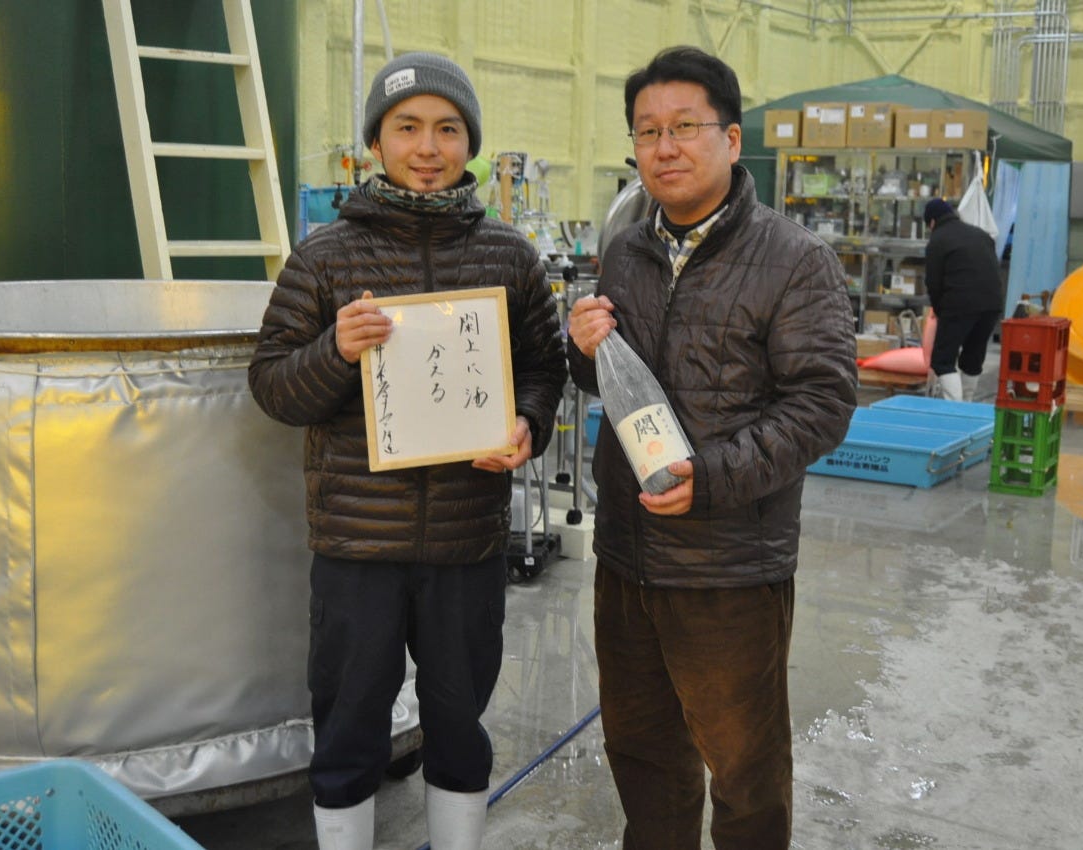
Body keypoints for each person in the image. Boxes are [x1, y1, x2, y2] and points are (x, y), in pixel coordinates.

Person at [249, 52, 566, 850]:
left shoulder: (509, 256)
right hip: (358, 546)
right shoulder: (324, 258)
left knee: (460, 721)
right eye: (408, 128)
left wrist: (527, 425)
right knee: (348, 722)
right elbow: (274, 388)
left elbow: (543, 366)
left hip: (468, 542)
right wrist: (335, 350)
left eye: (448, 129)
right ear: (375, 143)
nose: (428, 148)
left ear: (471, 144)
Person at [566, 46, 857, 850]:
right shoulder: (626, 251)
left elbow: (823, 403)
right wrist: (582, 348)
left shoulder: (794, 260)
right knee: (643, 759)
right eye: (647, 131)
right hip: (626, 557)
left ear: (731, 139)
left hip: (728, 568)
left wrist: (714, 476)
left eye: (685, 127)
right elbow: (608, 385)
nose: (664, 147)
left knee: (744, 775)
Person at [922, 197, 1003, 401]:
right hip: (992, 304)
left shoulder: (938, 240)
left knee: (943, 360)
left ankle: (955, 408)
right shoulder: (981, 234)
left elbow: (933, 283)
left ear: (932, 222)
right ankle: (967, 406)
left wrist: (939, 311)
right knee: (972, 358)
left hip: (960, 302)